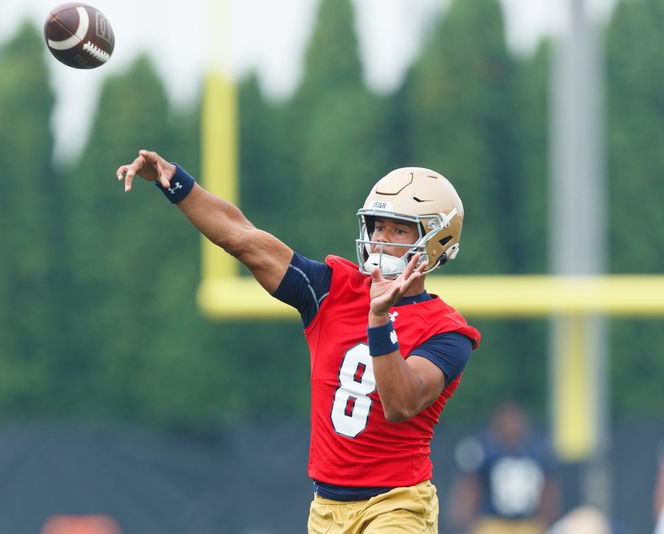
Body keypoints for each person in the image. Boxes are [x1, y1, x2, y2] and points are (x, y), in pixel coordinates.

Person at [116, 150, 481, 533]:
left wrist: (377, 320)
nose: (379, 240)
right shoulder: (332, 290)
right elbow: (242, 238)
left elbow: (401, 404)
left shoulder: (447, 330)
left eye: (398, 229)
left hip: (397, 505)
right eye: (377, 227)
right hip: (326, 507)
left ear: (437, 241)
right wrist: (174, 181)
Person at [448, 402, 560, 534]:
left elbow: (547, 488)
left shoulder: (537, 450)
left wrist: (548, 519)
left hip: (528, 523)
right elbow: (470, 485)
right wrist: (462, 517)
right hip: (492, 522)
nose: (512, 427)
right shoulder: (485, 449)